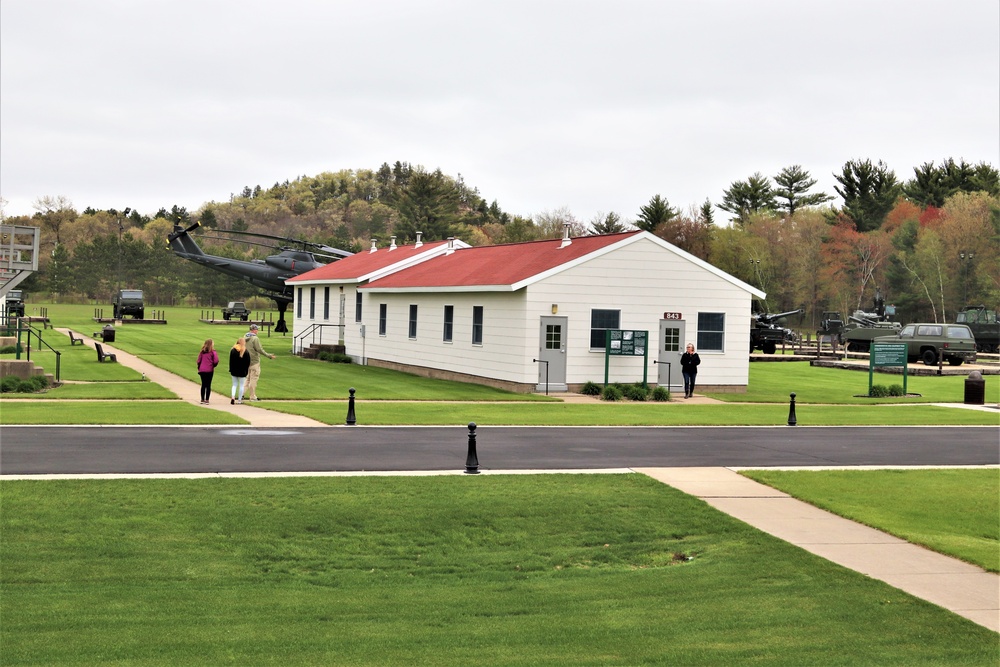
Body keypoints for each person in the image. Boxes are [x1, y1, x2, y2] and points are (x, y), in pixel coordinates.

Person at [243, 323, 275, 401]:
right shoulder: (255, 339)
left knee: (247, 379)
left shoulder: (244, 337)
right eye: (257, 329)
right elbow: (259, 349)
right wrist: (269, 356)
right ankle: (252, 396)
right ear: (254, 330)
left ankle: (241, 394)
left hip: (246, 361)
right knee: (254, 379)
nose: (258, 331)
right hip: (254, 361)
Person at [196, 338, 219, 404]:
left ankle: (202, 399)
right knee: (208, 385)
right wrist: (213, 365)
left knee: (203, 384)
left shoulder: (202, 352)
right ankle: (207, 399)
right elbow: (216, 360)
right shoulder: (213, 352)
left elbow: (198, 361)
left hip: (202, 370)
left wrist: (199, 367)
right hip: (209, 370)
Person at [229, 337, 251, 404]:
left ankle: (233, 396)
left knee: (234, 384)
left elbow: (231, 361)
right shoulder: (245, 351)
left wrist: (231, 369)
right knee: (241, 385)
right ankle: (239, 400)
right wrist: (246, 370)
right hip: (242, 370)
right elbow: (248, 362)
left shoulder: (233, 350)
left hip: (234, 370)